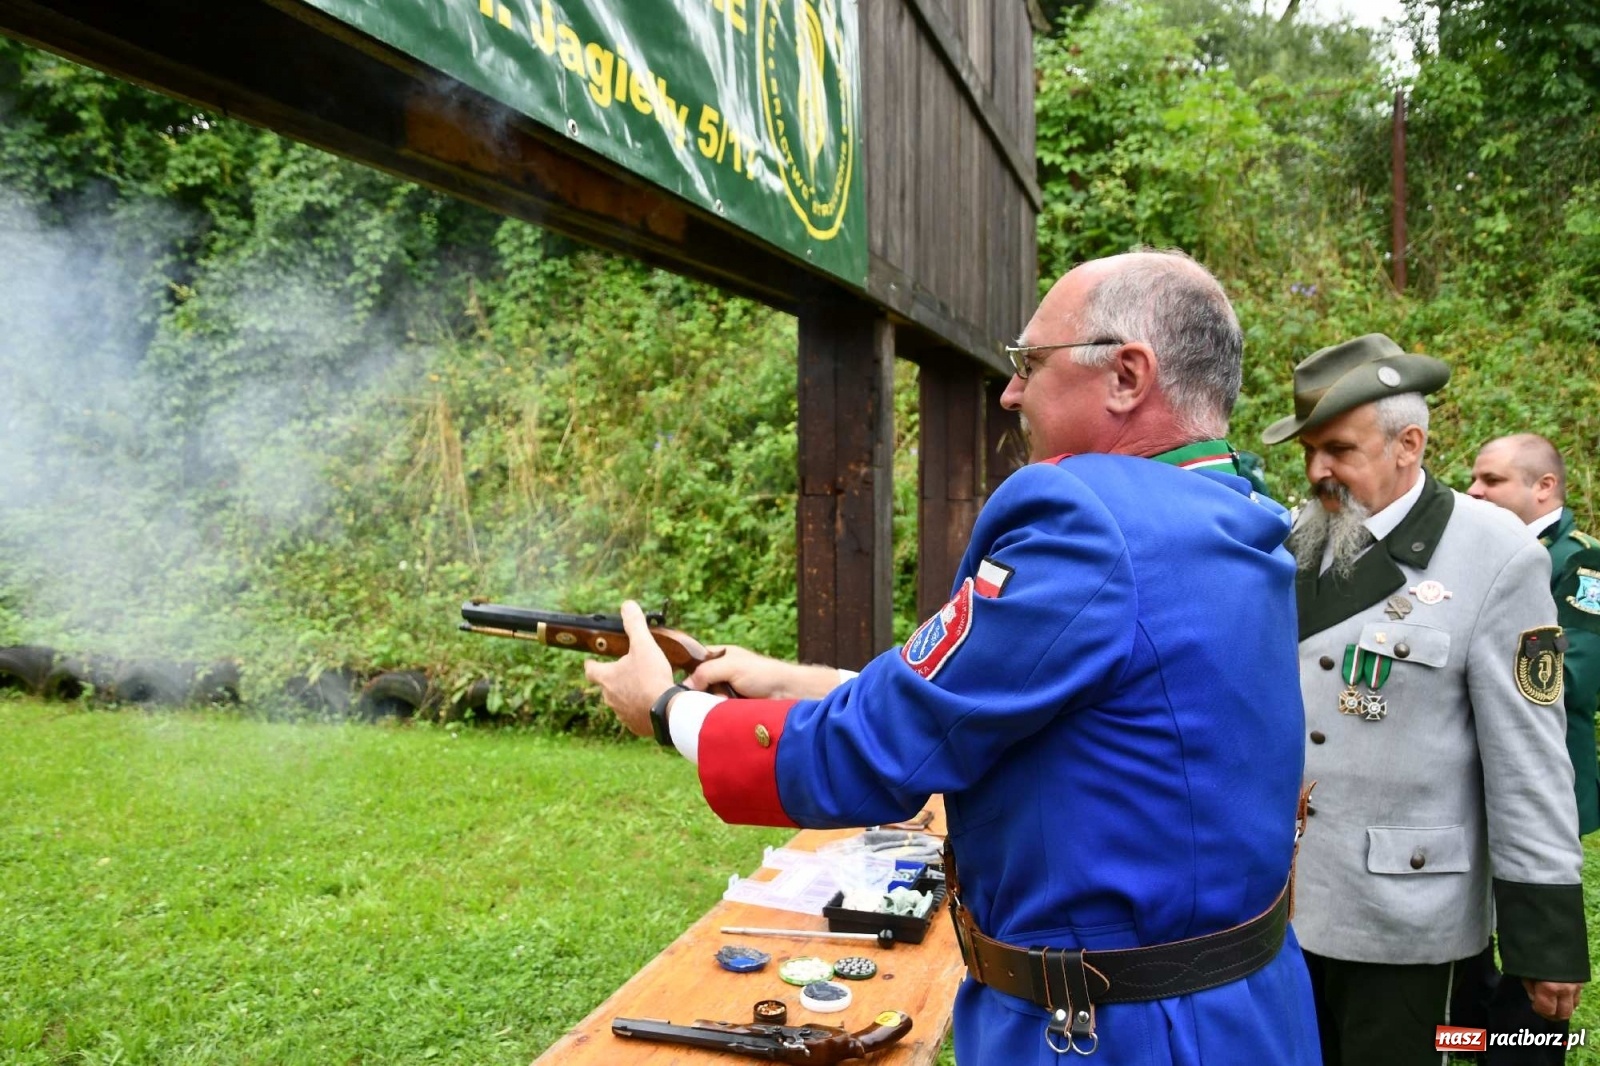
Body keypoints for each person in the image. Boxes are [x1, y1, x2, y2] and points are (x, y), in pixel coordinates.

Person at [587, 250, 1320, 1065]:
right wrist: (802, 682)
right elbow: (1046, 699)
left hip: (1115, 1034)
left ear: (1125, 376)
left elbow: (883, 751)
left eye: (1030, 364)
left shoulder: (1089, 516)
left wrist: (669, 709)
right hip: (1246, 1010)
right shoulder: (1233, 508)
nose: (1010, 392)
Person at [1260, 335, 1589, 1066]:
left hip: (1403, 917)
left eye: (1340, 449)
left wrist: (1545, 935)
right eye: (1309, 451)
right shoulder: (1295, 542)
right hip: (1281, 909)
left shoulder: (1497, 556)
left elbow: (1530, 758)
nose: (1319, 471)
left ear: (1408, 444)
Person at [1453, 433, 1600, 1062]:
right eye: (1474, 480)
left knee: (1531, 962)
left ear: (1544, 487)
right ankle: (1465, 1042)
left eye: (1491, 481)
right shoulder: (1469, 554)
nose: (1474, 492)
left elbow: (1569, 677)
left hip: (1539, 780)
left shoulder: (1579, 565)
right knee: (1466, 945)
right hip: (1465, 780)